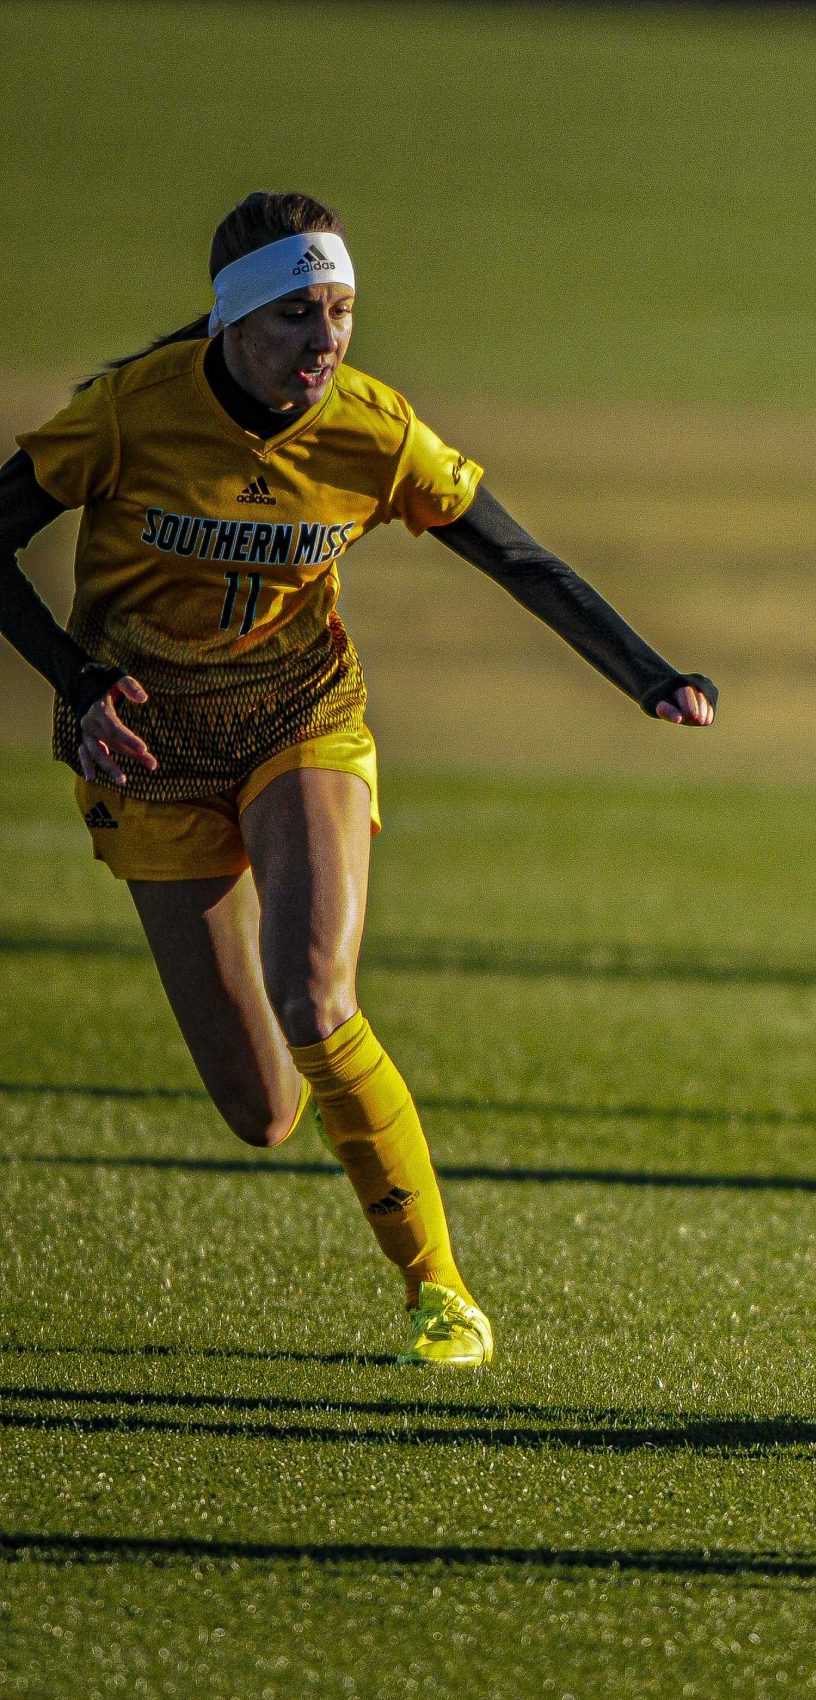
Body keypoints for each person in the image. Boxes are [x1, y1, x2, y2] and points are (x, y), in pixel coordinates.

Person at [0, 190, 717, 1368]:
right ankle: (329, 1094)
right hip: (155, 754)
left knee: (317, 999)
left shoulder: (372, 429)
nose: (324, 341)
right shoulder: (129, 415)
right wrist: (77, 688)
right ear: (231, 322)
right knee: (264, 1110)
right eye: (295, 316)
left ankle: (442, 1294)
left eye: (339, 312)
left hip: (300, 717)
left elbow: (515, 554)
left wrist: (647, 673)